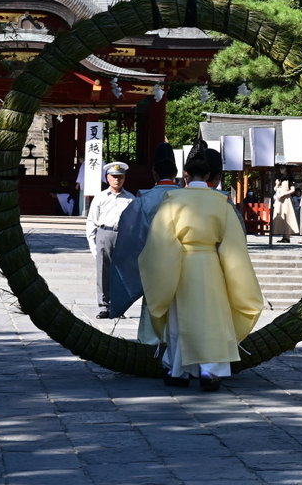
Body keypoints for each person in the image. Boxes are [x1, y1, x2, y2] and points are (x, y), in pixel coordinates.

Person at [140, 147, 264, 391]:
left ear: (185, 175)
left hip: (180, 265)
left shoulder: (172, 201)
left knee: (178, 320)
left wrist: (163, 273)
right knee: (213, 319)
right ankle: (210, 371)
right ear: (212, 176)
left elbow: (160, 244)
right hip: (211, 265)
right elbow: (234, 248)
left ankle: (179, 371)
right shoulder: (222, 204)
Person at [107, 144, 182, 337]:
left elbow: (131, 236)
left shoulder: (144, 200)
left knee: (154, 306)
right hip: (185, 263)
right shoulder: (186, 198)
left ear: (154, 172)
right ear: (176, 172)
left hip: (155, 262)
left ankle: (152, 345)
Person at [85, 161, 135, 319]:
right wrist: (93, 246)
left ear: (124, 178)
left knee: (121, 273)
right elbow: (91, 222)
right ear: (107, 178)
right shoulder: (100, 198)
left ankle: (118, 307)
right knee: (103, 272)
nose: (117, 180)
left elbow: (134, 222)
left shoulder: (131, 198)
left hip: (123, 236)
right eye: (114, 176)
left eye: (120, 177)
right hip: (104, 234)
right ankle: (104, 306)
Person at [272, 170, 298, 243]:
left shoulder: (290, 179)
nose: (281, 169)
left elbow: (293, 190)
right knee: (281, 217)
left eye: (283, 168)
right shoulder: (279, 179)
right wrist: (277, 184)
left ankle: (287, 236)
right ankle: (283, 236)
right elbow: (275, 189)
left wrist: (284, 194)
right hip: (279, 200)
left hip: (286, 199)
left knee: (287, 217)